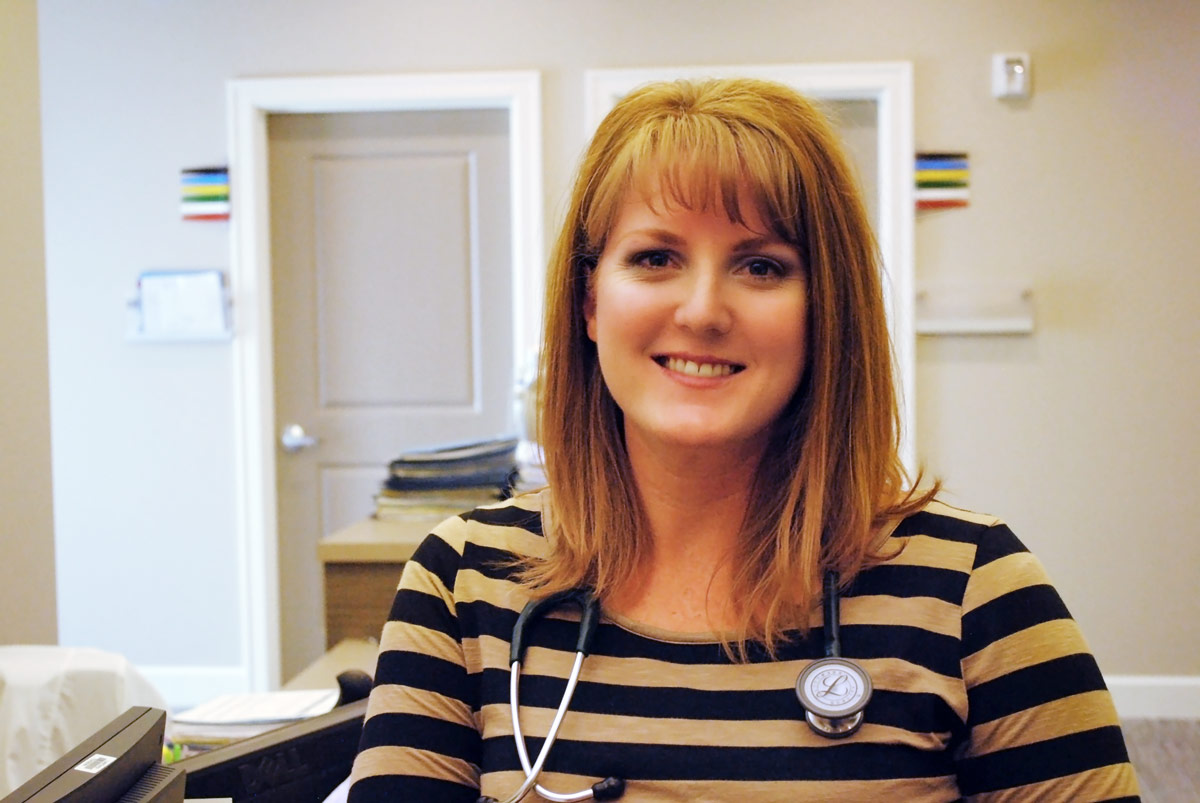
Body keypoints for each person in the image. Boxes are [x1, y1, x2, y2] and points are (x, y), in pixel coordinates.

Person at [347, 78, 1139, 802]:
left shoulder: (977, 593)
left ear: (826, 310)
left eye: (761, 266)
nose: (702, 309)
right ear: (590, 303)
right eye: (655, 257)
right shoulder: (463, 581)